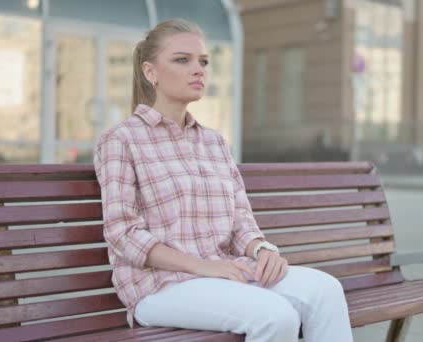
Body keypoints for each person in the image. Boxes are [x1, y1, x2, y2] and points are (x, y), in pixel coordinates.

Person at [93, 18, 354, 342]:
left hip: (223, 272)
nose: (198, 69)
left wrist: (262, 250)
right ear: (150, 72)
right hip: (159, 286)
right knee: (275, 317)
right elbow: (123, 233)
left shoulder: (214, 143)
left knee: (326, 290)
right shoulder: (121, 139)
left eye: (203, 61)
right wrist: (200, 267)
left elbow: (240, 220)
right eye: (182, 60)